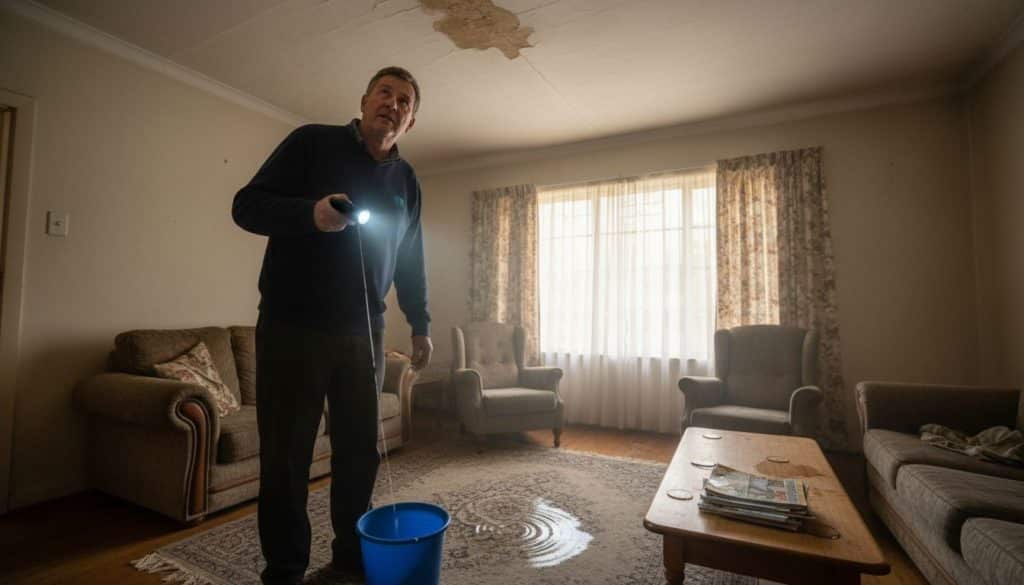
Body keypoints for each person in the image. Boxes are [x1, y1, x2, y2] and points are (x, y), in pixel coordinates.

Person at [232, 66, 432, 585]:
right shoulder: (311, 143)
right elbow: (246, 206)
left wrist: (420, 322)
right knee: (287, 457)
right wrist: (311, 215)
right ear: (364, 101)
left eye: (404, 101)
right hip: (292, 327)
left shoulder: (407, 181)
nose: (392, 104)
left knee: (359, 453)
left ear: (410, 122)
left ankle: (349, 558)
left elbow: (411, 259)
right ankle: (285, 570)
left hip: (365, 332)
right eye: (385, 93)